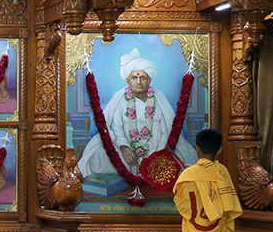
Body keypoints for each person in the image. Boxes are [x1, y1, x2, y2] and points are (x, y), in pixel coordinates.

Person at [77, 48, 196, 179]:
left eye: (142, 78)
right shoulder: (120, 98)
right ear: (128, 80)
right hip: (126, 147)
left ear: (149, 80)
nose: (138, 82)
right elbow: (116, 127)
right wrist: (124, 147)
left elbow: (166, 129)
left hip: (157, 147)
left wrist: (160, 152)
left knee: (181, 156)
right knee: (100, 156)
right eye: (134, 78)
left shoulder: (159, 98)